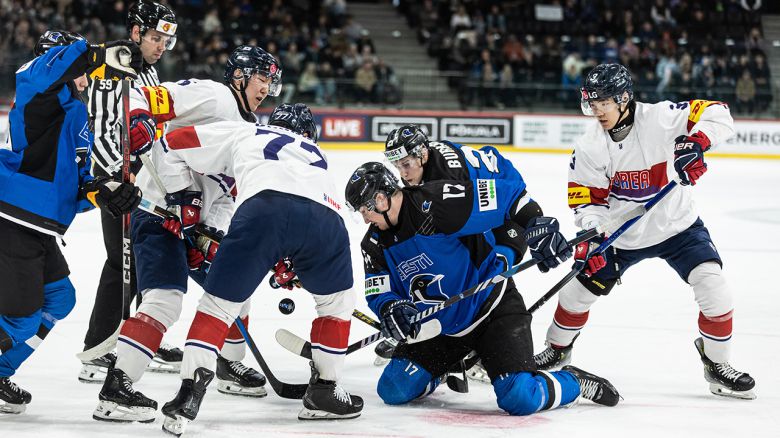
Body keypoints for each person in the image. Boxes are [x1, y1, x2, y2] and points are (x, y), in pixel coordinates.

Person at [533, 63, 756, 400]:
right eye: (592, 104)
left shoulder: (662, 117)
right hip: (620, 236)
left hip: (677, 227)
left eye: (603, 102)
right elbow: (587, 201)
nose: (597, 111)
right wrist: (594, 235)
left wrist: (696, 143)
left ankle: (717, 364)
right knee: (575, 296)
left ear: (623, 98)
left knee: (714, 287)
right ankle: (557, 350)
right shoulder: (589, 145)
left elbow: (719, 112)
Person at [92, 45, 283, 423]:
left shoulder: (250, 131)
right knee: (164, 301)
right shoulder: (215, 95)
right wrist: (138, 117)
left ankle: (228, 364)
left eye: (271, 82)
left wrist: (208, 233)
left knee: (236, 285)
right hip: (157, 214)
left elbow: (226, 194)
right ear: (240, 75)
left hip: (192, 226)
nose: (266, 88)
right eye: (262, 78)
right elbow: (140, 94)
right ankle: (117, 386)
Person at [343, 162, 620, 415]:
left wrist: (537, 225)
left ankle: (574, 381)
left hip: (492, 311)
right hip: (443, 329)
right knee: (394, 388)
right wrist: (390, 308)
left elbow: (510, 195)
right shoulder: (373, 244)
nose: (365, 220)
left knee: (520, 396)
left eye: (365, 210)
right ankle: (447, 367)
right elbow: (378, 291)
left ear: (381, 199)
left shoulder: (436, 202)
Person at [152, 111, 361, 435]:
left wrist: (185, 201)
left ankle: (188, 394)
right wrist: (293, 259)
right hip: (325, 219)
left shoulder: (246, 131)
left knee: (217, 307)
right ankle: (325, 389)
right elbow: (301, 207)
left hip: (262, 210)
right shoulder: (315, 152)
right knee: (337, 304)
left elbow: (171, 142)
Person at [0, 30, 142, 414]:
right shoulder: (37, 90)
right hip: (14, 218)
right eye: (80, 70)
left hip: (40, 225)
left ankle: (0, 370)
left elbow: (76, 184)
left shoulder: (75, 110)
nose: (86, 78)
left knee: (60, 298)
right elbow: (44, 70)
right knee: (21, 320)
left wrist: (104, 194)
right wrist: (93, 53)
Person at [375, 125, 534, 382]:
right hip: (485, 197)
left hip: (507, 211)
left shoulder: (445, 178)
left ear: (422, 155)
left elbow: (487, 210)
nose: (402, 174)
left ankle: (487, 338)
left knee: (492, 269)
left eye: (406, 165)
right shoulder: (426, 167)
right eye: (397, 166)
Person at [80, 0, 182, 383]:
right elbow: (102, 127)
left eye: (166, 41)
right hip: (119, 182)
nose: (161, 47)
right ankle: (98, 349)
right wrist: (116, 177)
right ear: (136, 31)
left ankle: (138, 340)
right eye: (155, 38)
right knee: (121, 263)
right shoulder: (114, 65)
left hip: (145, 181)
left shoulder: (149, 72)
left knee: (142, 262)